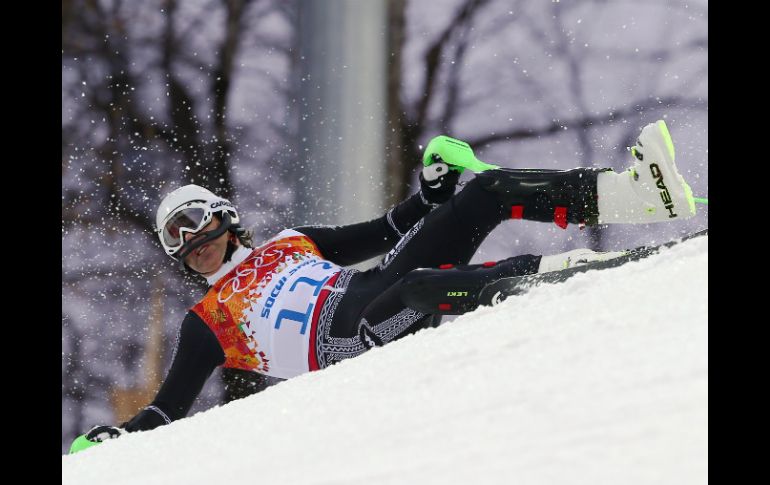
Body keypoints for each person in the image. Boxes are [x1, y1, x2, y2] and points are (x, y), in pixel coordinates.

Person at [74, 120, 695, 448]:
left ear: (224, 216)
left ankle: (636, 195)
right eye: (174, 239)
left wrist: (429, 191)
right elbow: (167, 406)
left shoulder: (294, 241)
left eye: (193, 221)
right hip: (347, 344)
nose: (190, 240)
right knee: (424, 285)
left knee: (484, 193)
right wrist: (122, 437)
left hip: (375, 286)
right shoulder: (206, 318)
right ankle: (551, 281)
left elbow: (390, 227)